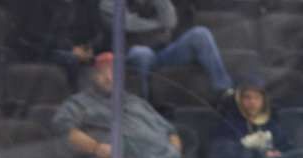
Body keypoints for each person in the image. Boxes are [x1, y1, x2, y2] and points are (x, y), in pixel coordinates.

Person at [52, 51, 212, 158]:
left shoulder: (136, 102)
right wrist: (96, 148)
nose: (109, 78)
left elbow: (170, 131)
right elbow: (65, 129)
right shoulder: (79, 103)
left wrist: (174, 149)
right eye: (102, 73)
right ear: (93, 75)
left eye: (114, 73)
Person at [97, 0, 232, 100]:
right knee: (142, 53)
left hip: (163, 53)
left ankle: (223, 92)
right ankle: (144, 105)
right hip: (128, 55)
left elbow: (170, 22)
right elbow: (127, 24)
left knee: (200, 34)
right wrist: (158, 26)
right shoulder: (108, 3)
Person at [8, 0, 103, 92]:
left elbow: (97, 32)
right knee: (72, 60)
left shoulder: (86, 4)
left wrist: (88, 48)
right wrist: (72, 49)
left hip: (74, 49)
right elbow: (37, 35)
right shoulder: (39, 5)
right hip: (36, 50)